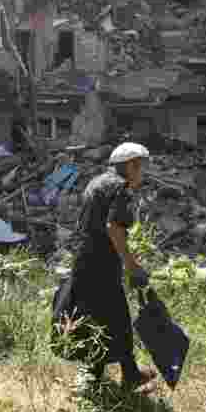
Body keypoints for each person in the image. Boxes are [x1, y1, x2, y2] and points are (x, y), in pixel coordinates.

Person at [57, 142, 157, 392]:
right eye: (140, 166)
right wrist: (132, 266)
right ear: (131, 165)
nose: (142, 172)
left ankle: (102, 374)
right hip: (101, 262)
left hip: (86, 258)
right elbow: (114, 228)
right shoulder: (120, 188)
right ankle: (122, 375)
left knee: (99, 316)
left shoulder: (98, 182)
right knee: (116, 317)